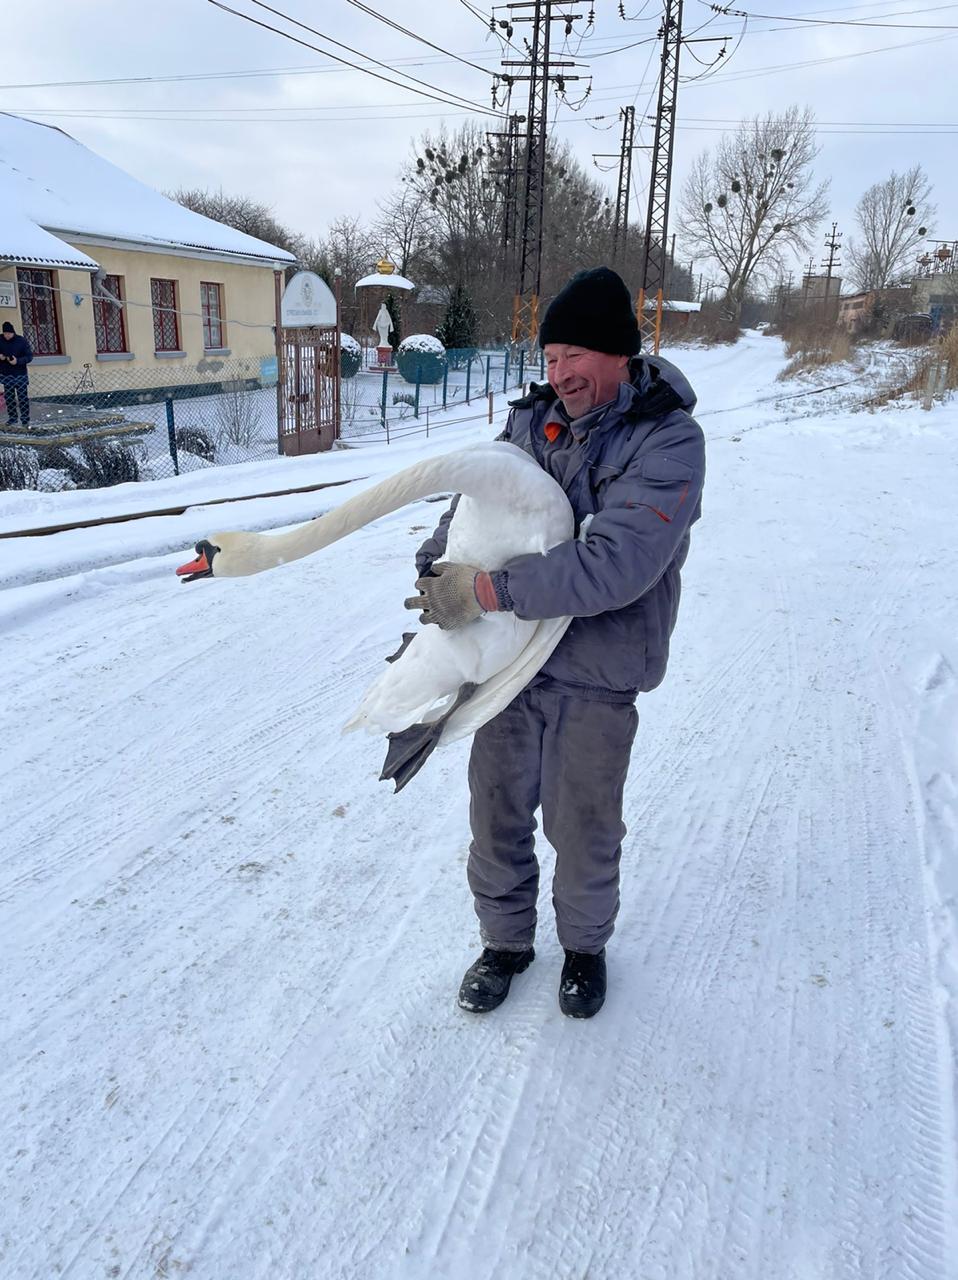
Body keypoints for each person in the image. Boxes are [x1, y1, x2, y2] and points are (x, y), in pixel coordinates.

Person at [408, 267, 706, 1019]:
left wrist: (486, 592)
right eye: (548, 358)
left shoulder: (668, 439)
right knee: (496, 817)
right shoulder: (528, 424)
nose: (559, 373)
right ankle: (505, 943)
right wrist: (439, 565)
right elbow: (479, 500)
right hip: (509, 666)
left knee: (582, 828)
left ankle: (584, 949)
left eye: (574, 355)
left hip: (596, 674)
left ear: (618, 355)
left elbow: (618, 565)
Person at [1, 321, 33, 427]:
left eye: (9, 334)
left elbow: (29, 357)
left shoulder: (21, 341)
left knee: (22, 398)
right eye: (5, 333)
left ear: (13, 332)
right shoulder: (0, 340)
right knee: (9, 398)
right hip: (6, 374)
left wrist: (17, 361)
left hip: (20, 374)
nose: (7, 336)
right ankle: (12, 418)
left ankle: (25, 419)